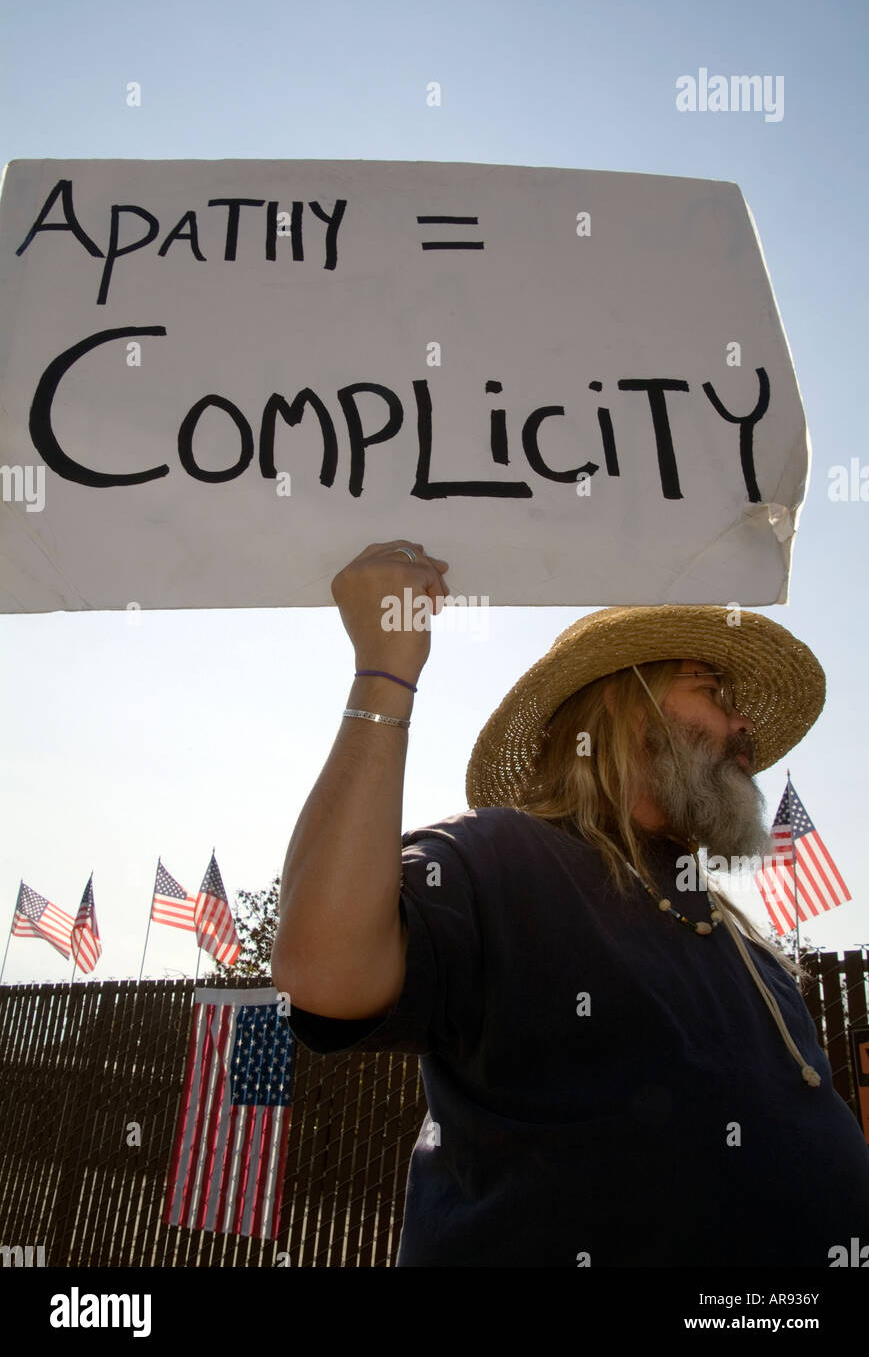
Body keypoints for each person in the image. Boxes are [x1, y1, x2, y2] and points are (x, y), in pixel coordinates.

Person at [271, 540, 869, 1267]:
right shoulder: (504, 857)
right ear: (623, 702)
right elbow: (322, 972)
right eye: (710, 690)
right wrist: (384, 669)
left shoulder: (748, 949)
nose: (742, 728)